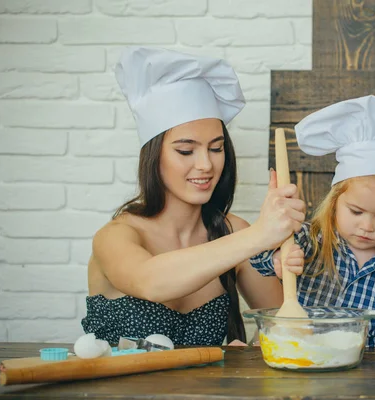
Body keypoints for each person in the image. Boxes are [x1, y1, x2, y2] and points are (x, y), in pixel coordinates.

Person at [81, 47, 305, 346]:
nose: (206, 165)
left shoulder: (233, 231)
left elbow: (284, 329)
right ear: (153, 155)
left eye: (216, 148)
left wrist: (245, 352)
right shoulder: (116, 236)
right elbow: (152, 282)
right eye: (186, 150)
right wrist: (262, 235)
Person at [250, 95, 375, 349]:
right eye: (356, 212)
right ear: (335, 201)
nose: (367, 226)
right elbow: (257, 255)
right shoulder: (309, 240)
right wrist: (277, 259)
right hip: (304, 358)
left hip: (364, 374)